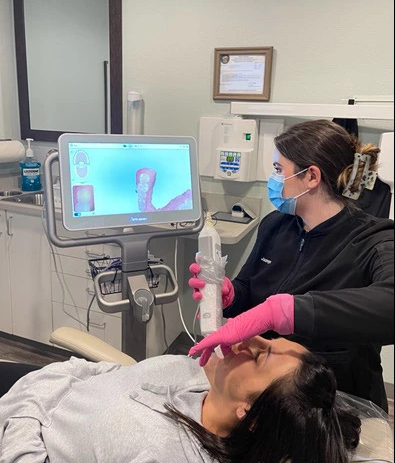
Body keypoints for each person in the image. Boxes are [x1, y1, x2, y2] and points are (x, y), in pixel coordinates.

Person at [189, 119, 394, 412]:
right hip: (268, 397)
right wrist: (231, 295)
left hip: (333, 404)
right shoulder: (276, 225)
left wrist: (282, 312)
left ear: (311, 177)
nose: (273, 179)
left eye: (278, 170)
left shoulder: (374, 239)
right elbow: (250, 288)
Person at [0, 337, 361, 463]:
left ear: (249, 414)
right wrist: (53, 379)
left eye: (258, 356)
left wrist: (24, 413)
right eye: (269, 339)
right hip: (42, 387)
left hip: (18, 427)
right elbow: (110, 373)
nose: (246, 339)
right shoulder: (195, 374)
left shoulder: (163, 453)